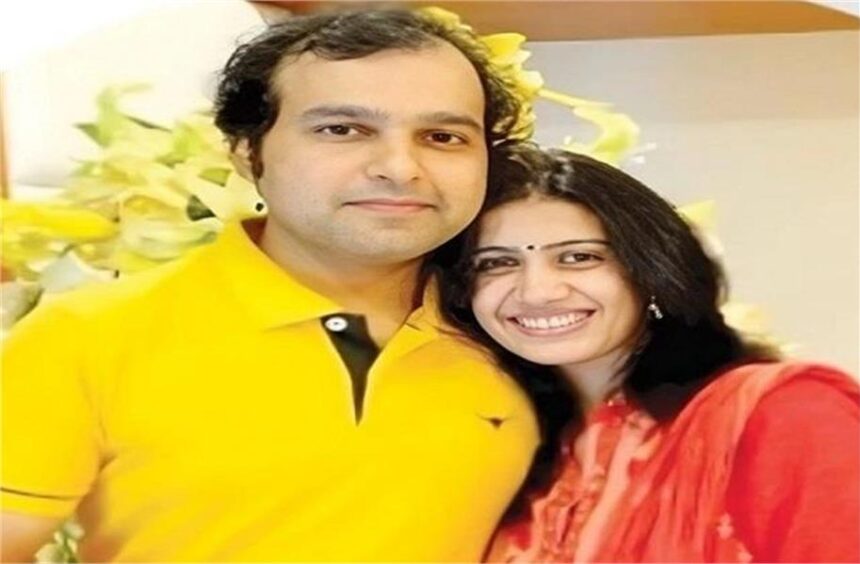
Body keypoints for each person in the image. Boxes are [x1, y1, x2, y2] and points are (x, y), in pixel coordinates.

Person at [0, 10, 541, 562]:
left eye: (443, 137)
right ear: (245, 151)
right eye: (342, 130)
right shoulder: (89, 336)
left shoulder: (530, 331)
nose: (400, 168)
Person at [436, 145, 860, 562]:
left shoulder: (785, 413)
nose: (537, 292)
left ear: (651, 270)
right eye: (495, 263)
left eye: (578, 257)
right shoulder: (520, 450)